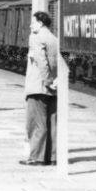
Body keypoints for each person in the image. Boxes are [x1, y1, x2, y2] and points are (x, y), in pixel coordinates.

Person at [20, 11, 58, 166]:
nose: (30, 25)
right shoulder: (54, 39)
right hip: (53, 87)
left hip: (38, 85)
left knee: (36, 123)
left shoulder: (36, 38)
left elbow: (41, 61)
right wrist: (53, 81)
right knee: (52, 124)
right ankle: (52, 157)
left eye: (33, 22)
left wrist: (47, 80)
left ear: (41, 23)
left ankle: (37, 157)